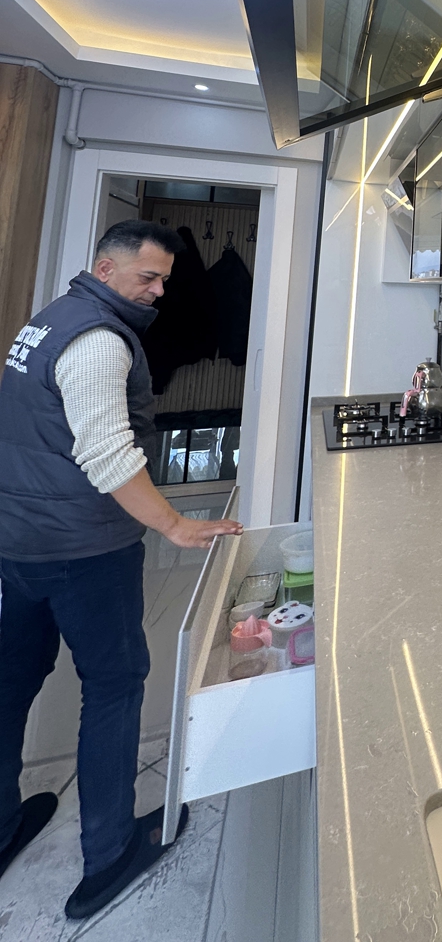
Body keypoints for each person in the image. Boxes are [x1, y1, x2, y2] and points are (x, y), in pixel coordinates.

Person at [0, 221, 243, 919]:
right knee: (114, 685)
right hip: (83, 549)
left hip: (21, 540)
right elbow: (107, 454)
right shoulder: (99, 341)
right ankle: (108, 854)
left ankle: (3, 825)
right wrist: (174, 524)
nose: (161, 291)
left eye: (165, 278)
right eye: (149, 277)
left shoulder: (48, 321)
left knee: (11, 681)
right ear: (105, 270)